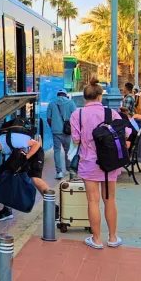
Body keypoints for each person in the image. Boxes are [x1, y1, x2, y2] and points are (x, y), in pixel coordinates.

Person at [70, 79, 130, 249]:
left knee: (93, 200)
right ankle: (112, 237)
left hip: (88, 162)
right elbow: (125, 132)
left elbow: (75, 139)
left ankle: (96, 239)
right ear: (99, 96)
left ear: (84, 97)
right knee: (109, 199)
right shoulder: (111, 113)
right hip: (110, 163)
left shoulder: (77, 114)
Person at [0, 127, 52, 222]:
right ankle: (7, 210)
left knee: (35, 179)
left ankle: (52, 207)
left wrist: (26, 158)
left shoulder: (14, 140)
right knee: (3, 175)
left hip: (34, 152)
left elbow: (36, 144)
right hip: (20, 155)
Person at [46, 89, 77, 179]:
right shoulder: (71, 103)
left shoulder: (51, 103)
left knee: (57, 151)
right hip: (67, 131)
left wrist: (53, 126)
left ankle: (58, 172)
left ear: (58, 95)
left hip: (56, 131)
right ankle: (68, 169)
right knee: (68, 151)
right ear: (65, 95)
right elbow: (75, 117)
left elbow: (48, 118)